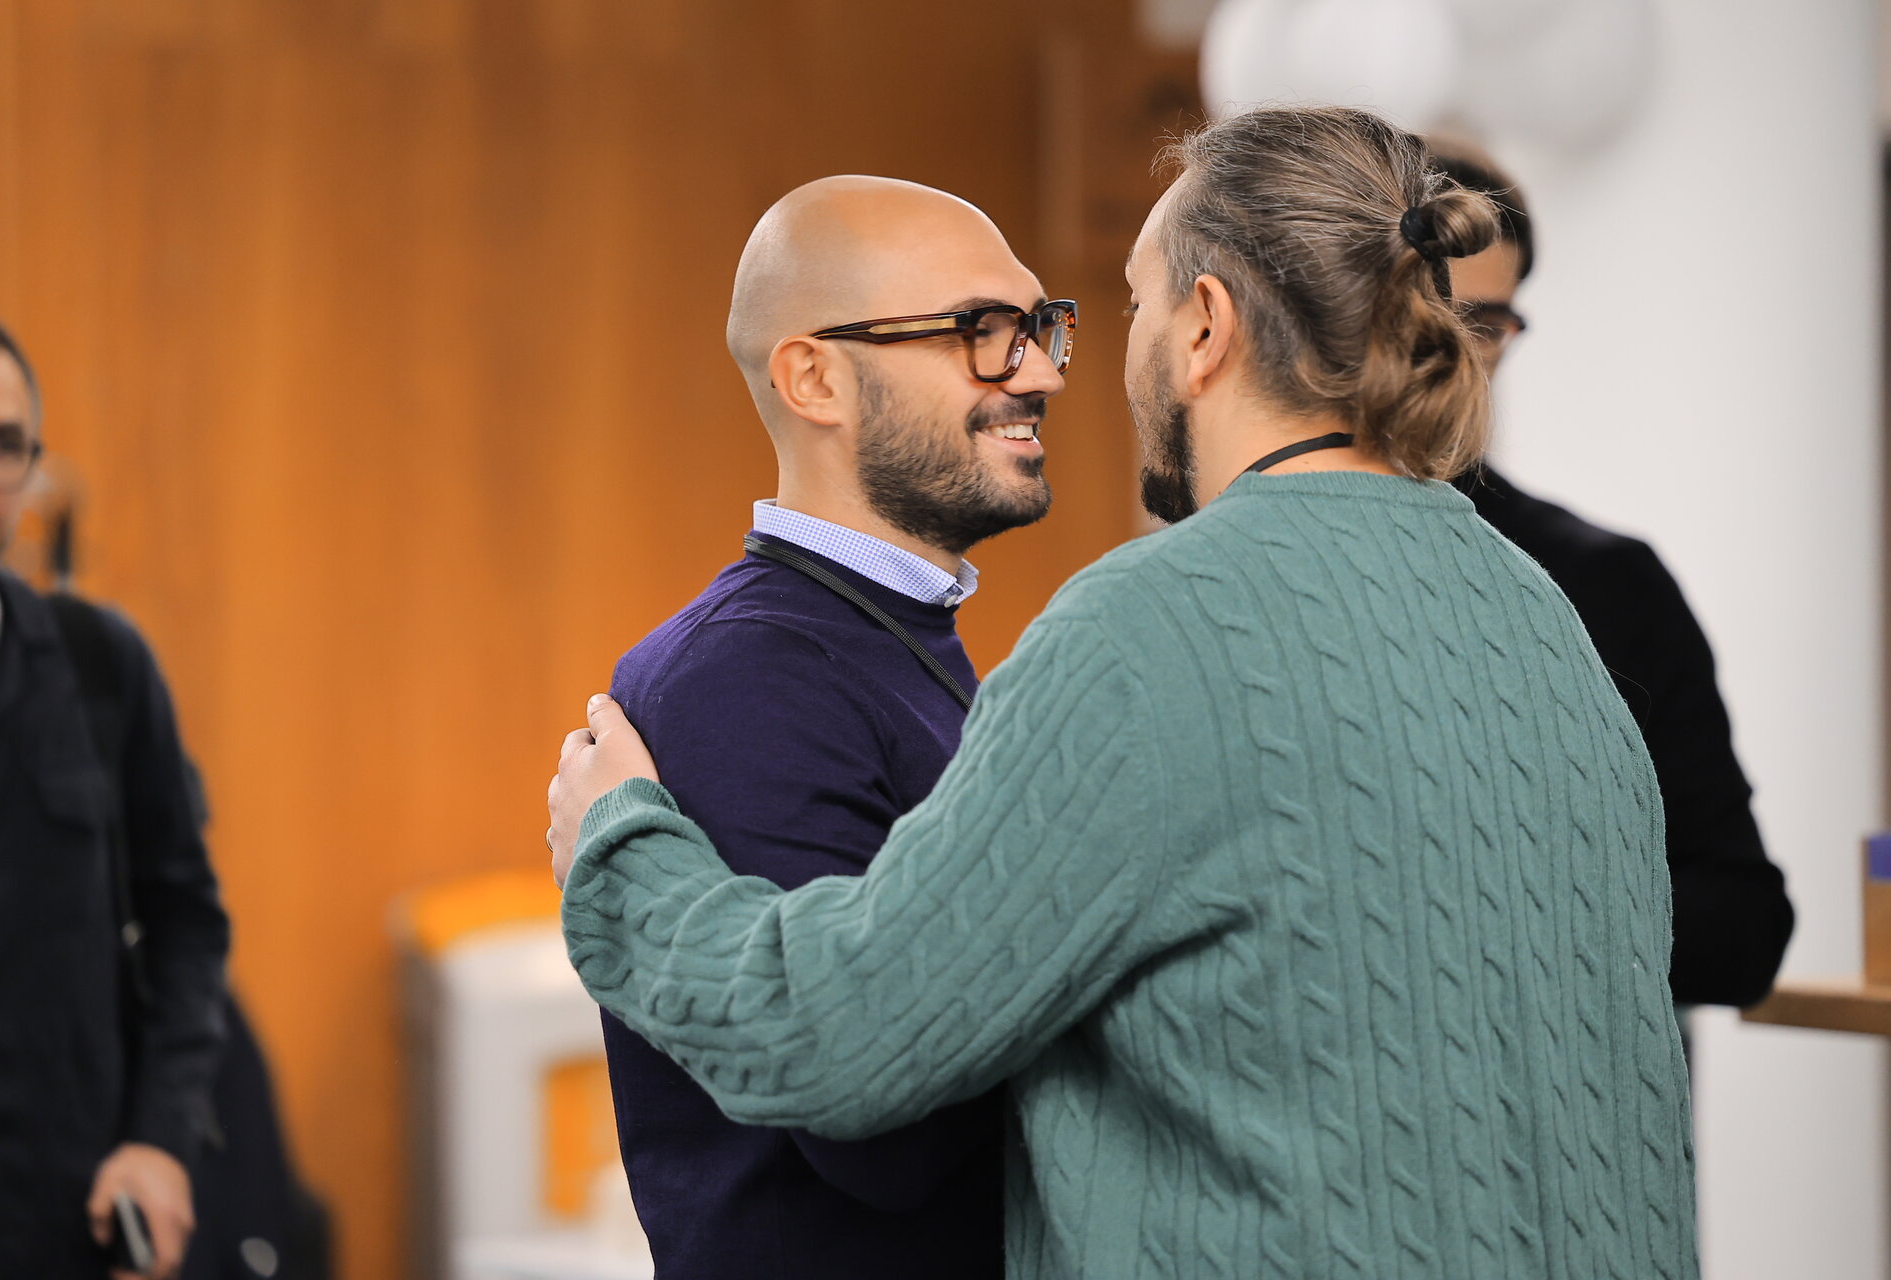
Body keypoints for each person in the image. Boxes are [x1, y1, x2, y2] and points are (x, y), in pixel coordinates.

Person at [547, 107, 1698, 1279]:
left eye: (1130, 304)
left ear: (1205, 326)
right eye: (985, 331)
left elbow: (848, 1041)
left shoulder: (1153, 629)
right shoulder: (1541, 613)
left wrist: (619, 852)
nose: (1057, 368)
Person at [555, 175, 1070, 1278]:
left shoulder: (889, 640)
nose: (1037, 371)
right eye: (982, 330)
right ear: (815, 377)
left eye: (1039, 327)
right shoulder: (746, 678)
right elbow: (882, 1135)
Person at [1434, 145, 1794, 1008]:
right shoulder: (1250, 574)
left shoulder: (1610, 584)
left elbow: (1745, 923)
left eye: (1483, 325)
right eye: (1424, 313)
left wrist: (1514, 911)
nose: (1447, 355)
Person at [0, 307, 230, 1279]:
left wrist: (160, 1137)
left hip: (61, 1232)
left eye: (0, 446)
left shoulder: (100, 667)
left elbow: (185, 923)